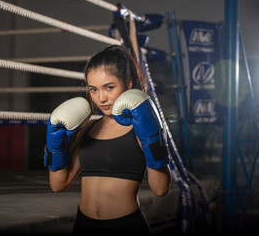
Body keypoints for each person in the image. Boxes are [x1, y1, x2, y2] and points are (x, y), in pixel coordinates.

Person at [44, 45, 171, 235]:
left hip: (126, 227)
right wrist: (57, 145)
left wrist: (152, 138)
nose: (101, 98)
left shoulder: (140, 128)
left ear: (128, 83)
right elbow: (58, 184)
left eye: (109, 87)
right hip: (83, 225)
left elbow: (160, 189)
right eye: (93, 89)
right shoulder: (88, 128)